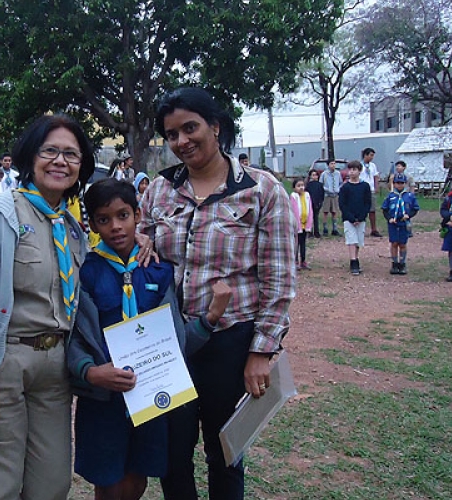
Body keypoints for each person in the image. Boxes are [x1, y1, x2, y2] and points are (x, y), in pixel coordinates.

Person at [140, 87, 295, 500]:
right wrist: (142, 240)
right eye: (172, 135)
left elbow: (279, 278)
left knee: (225, 451)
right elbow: (138, 241)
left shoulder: (261, 190)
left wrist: (261, 351)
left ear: (216, 126)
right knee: (173, 454)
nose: (182, 142)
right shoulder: (158, 190)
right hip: (169, 341)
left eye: (190, 128)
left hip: (230, 340)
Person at [0, 114, 95, 500]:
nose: (60, 161)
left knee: (52, 484)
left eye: (71, 154)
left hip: (53, 369)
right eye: (50, 151)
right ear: (31, 156)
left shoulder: (72, 228)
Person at [68, 178, 231, 500]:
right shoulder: (83, 272)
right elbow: (73, 335)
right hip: (105, 397)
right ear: (92, 224)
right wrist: (90, 370)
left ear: (138, 214)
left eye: (123, 215)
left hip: (150, 394)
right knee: (109, 482)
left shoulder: (158, 272)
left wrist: (210, 318)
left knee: (137, 479)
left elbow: (175, 343)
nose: (115, 226)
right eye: (104, 219)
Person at [381, 173, 419, 275]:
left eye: (402, 183)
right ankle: (394, 263)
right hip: (393, 223)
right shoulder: (390, 196)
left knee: (403, 243)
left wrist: (409, 215)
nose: (400, 185)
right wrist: (389, 218)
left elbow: (415, 209)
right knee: (394, 243)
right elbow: (384, 209)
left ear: (405, 184)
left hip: (404, 223)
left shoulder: (409, 196)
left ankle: (402, 263)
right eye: (397, 183)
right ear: (394, 184)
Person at [339, 161, 371, 276]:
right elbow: (342, 204)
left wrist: (362, 216)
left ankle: (356, 257)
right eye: (350, 169)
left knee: (358, 240)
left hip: (361, 218)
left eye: (354, 169)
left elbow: (368, 203)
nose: (351, 172)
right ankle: (353, 261)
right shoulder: (345, 187)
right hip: (349, 218)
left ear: (359, 171)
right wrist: (351, 218)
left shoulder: (365, 186)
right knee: (351, 239)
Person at [290, 178, 313, 269]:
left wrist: (309, 224)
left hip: (305, 225)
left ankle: (303, 261)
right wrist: (297, 226)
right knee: (296, 244)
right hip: (296, 226)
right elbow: (294, 211)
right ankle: (295, 261)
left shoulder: (307, 196)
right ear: (294, 187)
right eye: (298, 186)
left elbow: (310, 210)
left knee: (303, 243)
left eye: (302, 185)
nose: (301, 188)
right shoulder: (293, 197)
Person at [360, 148, 382, 237]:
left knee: (372, 210)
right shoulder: (360, 165)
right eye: (371, 155)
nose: (372, 157)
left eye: (373, 155)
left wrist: (376, 187)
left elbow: (376, 176)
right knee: (361, 210)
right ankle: (361, 229)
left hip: (371, 190)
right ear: (365, 155)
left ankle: (374, 229)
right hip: (361, 190)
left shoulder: (373, 165)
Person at [320, 159, 341, 236]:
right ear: (328, 165)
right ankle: (325, 229)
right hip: (327, 195)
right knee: (325, 212)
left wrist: (338, 189)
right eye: (331, 164)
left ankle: (335, 229)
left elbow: (340, 182)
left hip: (335, 195)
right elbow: (320, 184)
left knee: (334, 212)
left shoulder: (338, 173)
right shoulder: (324, 174)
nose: (333, 165)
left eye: (334, 164)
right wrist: (326, 189)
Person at [306, 169, 324, 238]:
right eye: (313, 175)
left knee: (316, 218)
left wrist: (320, 202)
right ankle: (310, 232)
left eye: (316, 175)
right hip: (310, 203)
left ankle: (316, 232)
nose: (315, 176)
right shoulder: (308, 185)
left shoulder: (320, 185)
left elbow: (322, 194)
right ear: (310, 176)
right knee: (310, 218)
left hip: (317, 203)